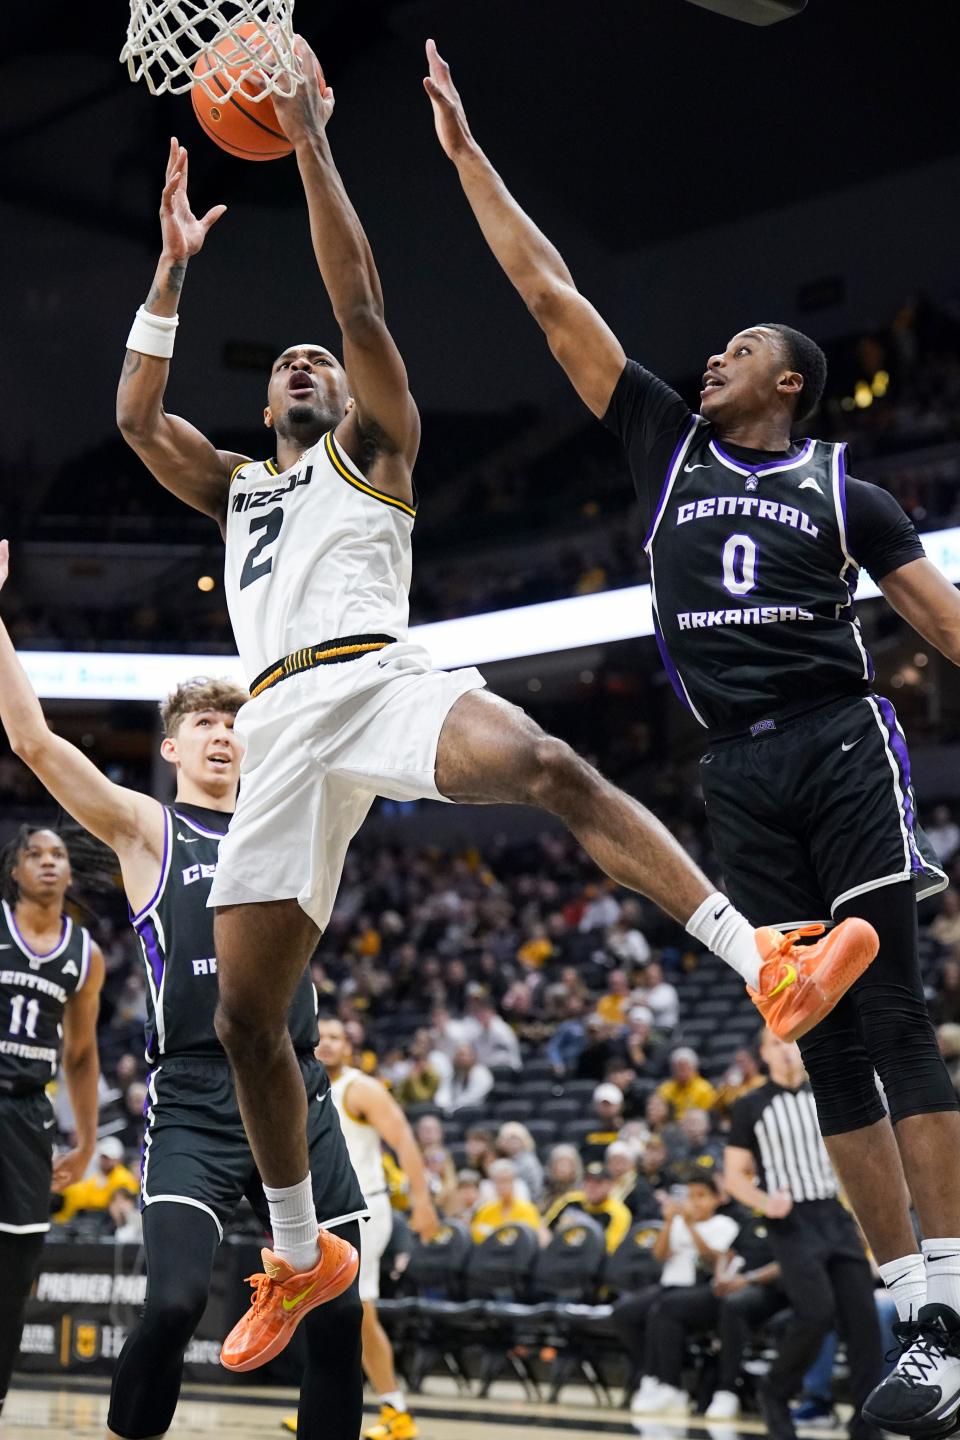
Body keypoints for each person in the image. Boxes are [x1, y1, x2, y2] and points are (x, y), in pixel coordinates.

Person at [118, 37, 877, 1370]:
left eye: (321, 361)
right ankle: (300, 1258)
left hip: (377, 675)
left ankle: (761, 958)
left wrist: (309, 143)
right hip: (281, 726)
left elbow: (356, 304)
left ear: (353, 398)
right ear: (261, 400)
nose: (307, 360)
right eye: (285, 361)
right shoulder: (236, 486)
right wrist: (173, 272)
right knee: (244, 1025)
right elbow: (136, 417)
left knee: (547, 762)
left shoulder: (375, 444)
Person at [423, 39, 960, 1433]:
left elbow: (949, 630)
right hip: (732, 770)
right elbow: (552, 296)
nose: (710, 358)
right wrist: (471, 159)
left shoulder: (851, 490)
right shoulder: (665, 443)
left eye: (741, 353)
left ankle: (953, 1302)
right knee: (819, 1048)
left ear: (792, 386)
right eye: (711, 352)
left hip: (840, 739)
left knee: (890, 1016)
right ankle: (913, 1317)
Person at [0, 562, 365, 1440]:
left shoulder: (288, 820)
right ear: (171, 748)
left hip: (299, 1088)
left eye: (235, 723)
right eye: (204, 723)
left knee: (338, 1324)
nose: (222, 735)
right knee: (171, 1303)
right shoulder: (147, 829)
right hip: (199, 1096)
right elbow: (35, 743)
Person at [282, 1017, 438, 1440]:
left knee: (353, 1310)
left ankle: (391, 1411)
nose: (328, 1044)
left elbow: (404, 1141)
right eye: (322, 1036)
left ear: (349, 1046)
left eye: (337, 1037)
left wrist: (422, 1202)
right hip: (324, 1213)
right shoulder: (301, 1084)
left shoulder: (360, 1088)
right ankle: (328, 1404)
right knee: (335, 1312)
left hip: (365, 1210)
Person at [724, 1029, 883, 1439]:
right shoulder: (750, 1105)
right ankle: (774, 1391)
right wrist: (762, 1202)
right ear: (763, 1053)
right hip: (790, 1218)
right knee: (816, 1313)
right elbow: (734, 1176)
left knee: (863, 1319)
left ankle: (865, 1424)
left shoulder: (825, 1094)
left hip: (834, 1212)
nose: (785, 1051)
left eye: (790, 1042)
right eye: (775, 1044)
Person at [0, 820, 105, 1418]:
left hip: (27, 1114)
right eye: (34, 854)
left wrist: (86, 1141)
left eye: (58, 854)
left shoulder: (85, 957)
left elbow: (83, 1054)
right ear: (14, 871)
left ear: (69, 872)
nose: (47, 862)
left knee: (14, 1275)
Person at [612, 1174, 739, 1413]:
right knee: (624, 1313)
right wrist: (669, 1222)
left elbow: (713, 1261)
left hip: (698, 1288)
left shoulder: (724, 1224)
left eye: (701, 1196)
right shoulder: (677, 1222)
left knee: (660, 1312)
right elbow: (659, 1256)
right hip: (667, 1285)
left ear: (716, 1199)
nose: (695, 1202)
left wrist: (691, 1227)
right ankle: (650, 1372)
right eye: (691, 1196)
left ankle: (667, 1382)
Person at [644, 1210, 786, 1420]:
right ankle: (670, 1386)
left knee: (733, 1305)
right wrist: (720, 1276)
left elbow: (788, 1263)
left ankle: (726, 1390)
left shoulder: (795, 1222)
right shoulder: (753, 1220)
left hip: (771, 1291)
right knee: (668, 1305)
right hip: (734, 1284)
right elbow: (727, 1253)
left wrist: (747, 1279)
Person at [542, 1160, 632, 1253]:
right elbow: (544, 1228)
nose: (591, 1187)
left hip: (591, 1260)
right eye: (588, 1181)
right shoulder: (570, 1200)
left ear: (610, 1186)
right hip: (560, 1252)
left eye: (598, 1183)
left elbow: (610, 1250)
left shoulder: (619, 1213)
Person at [471, 1159, 542, 1242]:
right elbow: (476, 1236)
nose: (502, 1186)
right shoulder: (485, 1210)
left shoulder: (527, 1209)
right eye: (498, 1182)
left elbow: (532, 1237)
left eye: (505, 1181)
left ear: (513, 1183)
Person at [657, 1048, 718, 1119]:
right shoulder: (665, 1089)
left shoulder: (705, 1090)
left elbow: (707, 1117)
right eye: (676, 1069)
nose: (680, 1073)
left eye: (683, 1069)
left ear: (694, 1068)